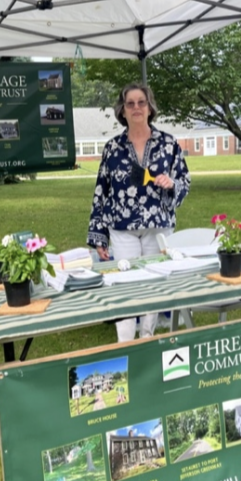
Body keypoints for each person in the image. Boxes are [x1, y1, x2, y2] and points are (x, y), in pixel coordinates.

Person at [87, 82, 190, 342]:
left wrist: (171, 184)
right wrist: (99, 234)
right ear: (122, 110)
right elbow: (101, 191)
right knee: (126, 287)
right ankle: (125, 344)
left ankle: (147, 339)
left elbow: (184, 181)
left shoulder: (169, 144)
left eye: (141, 102)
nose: (136, 108)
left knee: (153, 286)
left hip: (158, 227)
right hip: (122, 229)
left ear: (150, 108)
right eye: (130, 103)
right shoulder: (112, 148)